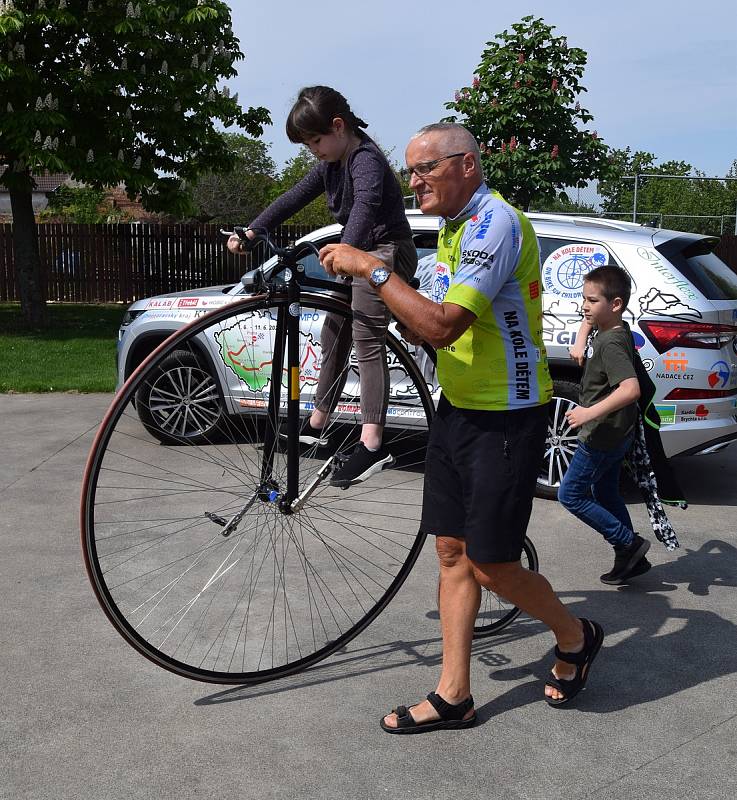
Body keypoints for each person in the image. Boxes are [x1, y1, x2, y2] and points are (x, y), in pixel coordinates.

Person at [319, 122, 604, 732]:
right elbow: (429, 324)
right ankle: (455, 696)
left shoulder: (493, 222)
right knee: (450, 551)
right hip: (457, 409)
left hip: (506, 415)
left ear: (467, 164)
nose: (413, 182)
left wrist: (372, 270)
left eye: (425, 170)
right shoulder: (450, 231)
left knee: (492, 565)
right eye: (409, 171)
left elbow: (445, 324)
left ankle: (576, 635)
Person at [227, 86, 417, 487]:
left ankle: (372, 443)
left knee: (367, 339)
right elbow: (293, 197)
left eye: (316, 140)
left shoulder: (364, 159)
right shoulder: (330, 163)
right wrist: (253, 229)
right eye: (307, 144)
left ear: (338, 126)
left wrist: (347, 248)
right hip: (358, 249)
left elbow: (365, 206)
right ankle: (317, 422)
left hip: (384, 250)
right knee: (333, 332)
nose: (314, 150)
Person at [559, 267, 652, 583]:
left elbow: (630, 388)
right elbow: (589, 320)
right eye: (583, 299)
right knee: (606, 491)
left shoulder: (610, 343)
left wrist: (587, 413)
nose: (585, 306)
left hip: (601, 433)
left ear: (616, 304)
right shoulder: (616, 327)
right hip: (617, 432)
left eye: (591, 300)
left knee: (571, 495)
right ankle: (631, 559)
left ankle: (629, 543)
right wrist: (580, 340)